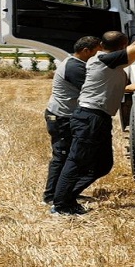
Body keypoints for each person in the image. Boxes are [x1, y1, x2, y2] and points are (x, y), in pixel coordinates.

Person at [50, 2, 135, 215]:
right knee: (77, 161)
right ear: (121, 47)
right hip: (89, 117)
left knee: (102, 166)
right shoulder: (106, 60)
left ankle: (66, 196)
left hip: (97, 117)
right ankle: (61, 204)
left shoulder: (105, 57)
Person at [42, 36, 101, 205]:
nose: (98, 56)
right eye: (96, 53)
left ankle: (65, 191)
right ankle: (51, 196)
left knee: (70, 156)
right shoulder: (74, 67)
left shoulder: (75, 64)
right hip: (61, 117)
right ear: (86, 51)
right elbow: (92, 89)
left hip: (66, 116)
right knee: (61, 156)